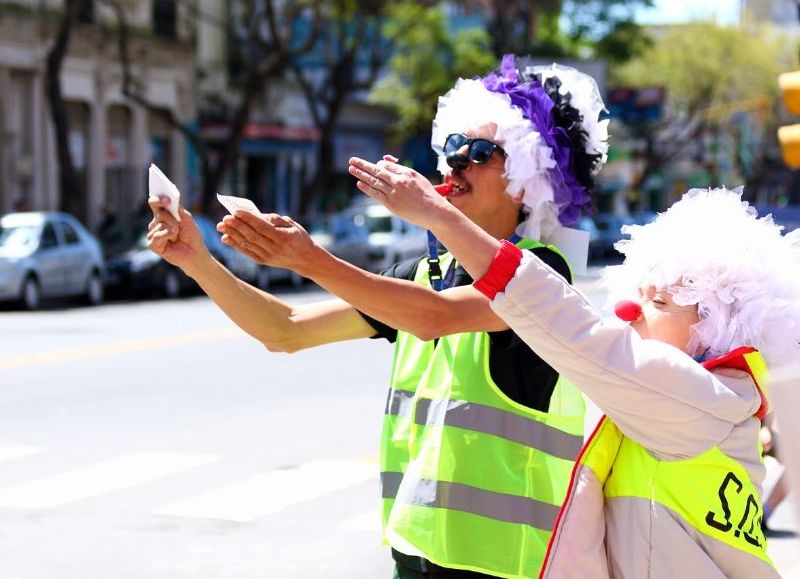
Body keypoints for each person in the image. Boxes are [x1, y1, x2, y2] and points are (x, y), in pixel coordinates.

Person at [147, 54, 608, 578]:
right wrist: (197, 261)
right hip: (415, 555)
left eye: (480, 152)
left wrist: (307, 258)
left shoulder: (542, 271)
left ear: (527, 181)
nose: (456, 162)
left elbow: (435, 317)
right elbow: (286, 331)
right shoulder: (422, 273)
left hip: (507, 564)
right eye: (453, 148)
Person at [349, 157, 800, 578]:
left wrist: (438, 215)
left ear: (716, 326)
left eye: (659, 302)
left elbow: (572, 329)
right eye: (638, 292)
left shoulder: (700, 401)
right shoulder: (707, 400)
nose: (628, 309)